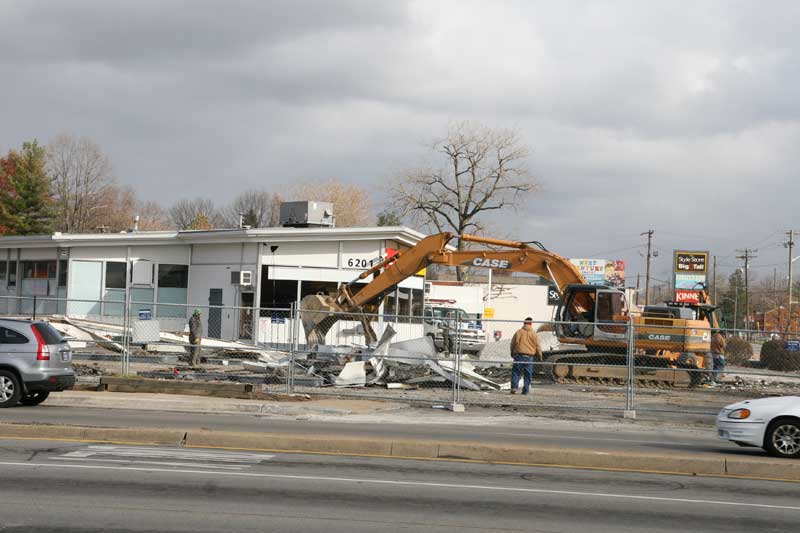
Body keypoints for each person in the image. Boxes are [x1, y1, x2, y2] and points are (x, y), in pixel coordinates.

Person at [510, 317, 543, 395]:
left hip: (519, 356)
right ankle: (525, 390)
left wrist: (512, 353)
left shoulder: (518, 332)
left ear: (524, 323)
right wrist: (540, 356)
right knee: (528, 374)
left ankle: (514, 387)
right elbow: (538, 346)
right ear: (531, 324)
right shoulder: (534, 334)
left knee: (516, 372)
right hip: (529, 357)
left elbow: (513, 343)